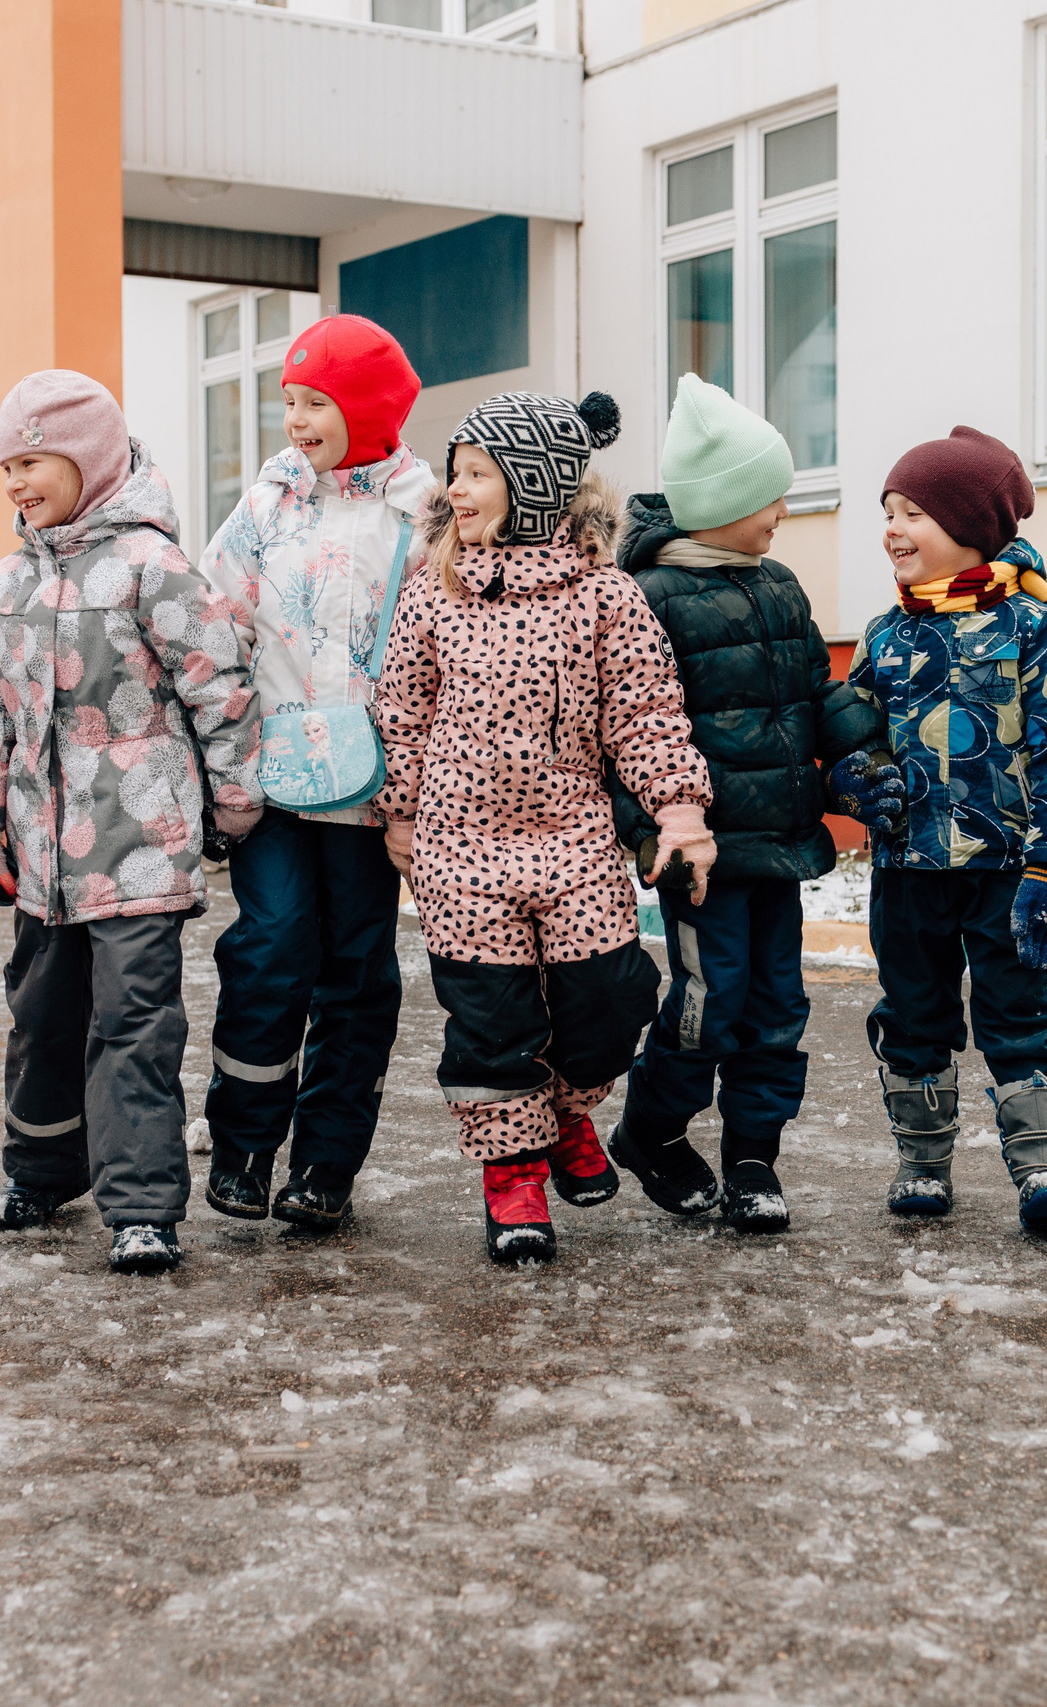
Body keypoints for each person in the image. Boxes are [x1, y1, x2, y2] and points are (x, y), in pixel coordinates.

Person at [373, 390, 717, 1264]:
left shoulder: (606, 598)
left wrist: (679, 809)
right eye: (454, 473)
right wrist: (402, 817)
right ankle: (514, 1173)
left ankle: (564, 1113)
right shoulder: (433, 595)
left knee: (608, 1000)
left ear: (532, 485)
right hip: (460, 847)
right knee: (490, 1019)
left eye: (478, 474)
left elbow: (646, 711)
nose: (457, 490)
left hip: (573, 843)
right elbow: (404, 710)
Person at [0, 370, 260, 1276]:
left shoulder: (150, 565)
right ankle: (42, 1171)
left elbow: (218, 684)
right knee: (41, 1015)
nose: (16, 483)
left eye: (32, 460)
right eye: (6, 467)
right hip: (44, 858)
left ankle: (143, 1205)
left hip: (140, 848)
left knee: (134, 1022)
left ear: (85, 457)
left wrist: (234, 796)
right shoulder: (13, 578)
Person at [607, 375, 894, 1236]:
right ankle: (651, 1131)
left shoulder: (779, 587)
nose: (780, 511)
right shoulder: (649, 599)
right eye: (768, 495)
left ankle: (754, 1156)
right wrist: (647, 826)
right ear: (720, 501)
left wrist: (861, 749)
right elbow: (627, 727)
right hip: (699, 854)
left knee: (776, 1005)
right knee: (708, 999)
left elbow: (816, 689)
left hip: (781, 842)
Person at [194, 316, 431, 1232]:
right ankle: (246, 1146)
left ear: (367, 405)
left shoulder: (424, 510)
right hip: (278, 774)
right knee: (269, 947)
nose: (295, 419)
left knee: (356, 971)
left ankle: (326, 1161)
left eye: (315, 401)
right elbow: (218, 621)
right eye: (288, 401)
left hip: (374, 787)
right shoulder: (266, 506)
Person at [844, 426, 1047, 1231]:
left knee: (1021, 1009)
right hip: (907, 869)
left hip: (1009, 869)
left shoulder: (1034, 627)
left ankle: (1043, 1169)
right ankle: (922, 1162)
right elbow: (853, 736)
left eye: (914, 511)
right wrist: (855, 779)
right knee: (912, 1009)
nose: (892, 528)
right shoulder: (885, 635)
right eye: (888, 510)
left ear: (970, 526)